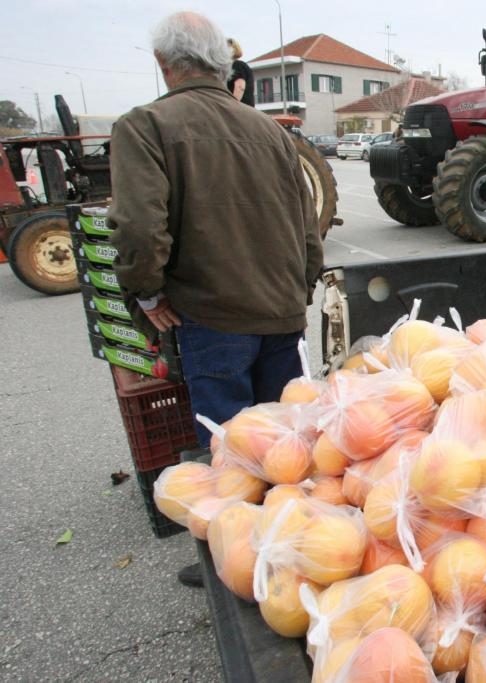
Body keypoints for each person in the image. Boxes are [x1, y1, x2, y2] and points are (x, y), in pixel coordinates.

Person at [108, 11, 323, 585]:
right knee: (286, 446)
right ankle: (300, 553)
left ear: (163, 64)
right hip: (280, 312)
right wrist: (299, 289)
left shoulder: (147, 125)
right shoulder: (272, 132)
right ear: (223, 64)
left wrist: (147, 292)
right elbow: (308, 226)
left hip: (211, 317)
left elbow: (136, 227)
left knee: (229, 453)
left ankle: (240, 564)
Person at [226, 38, 254, 107]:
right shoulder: (237, 65)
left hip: (240, 109)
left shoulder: (237, 65)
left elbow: (240, 87)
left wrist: (232, 106)